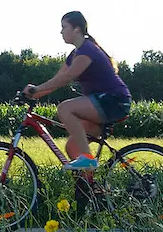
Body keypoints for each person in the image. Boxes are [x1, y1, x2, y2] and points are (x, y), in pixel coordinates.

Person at [22, 10, 132, 170]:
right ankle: (89, 190)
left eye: (64, 27)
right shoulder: (74, 54)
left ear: (77, 29)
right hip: (103, 103)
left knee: (65, 108)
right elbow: (56, 80)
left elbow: (66, 78)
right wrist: (31, 94)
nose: (60, 31)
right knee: (72, 147)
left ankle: (87, 158)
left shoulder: (87, 50)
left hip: (114, 101)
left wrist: (36, 89)